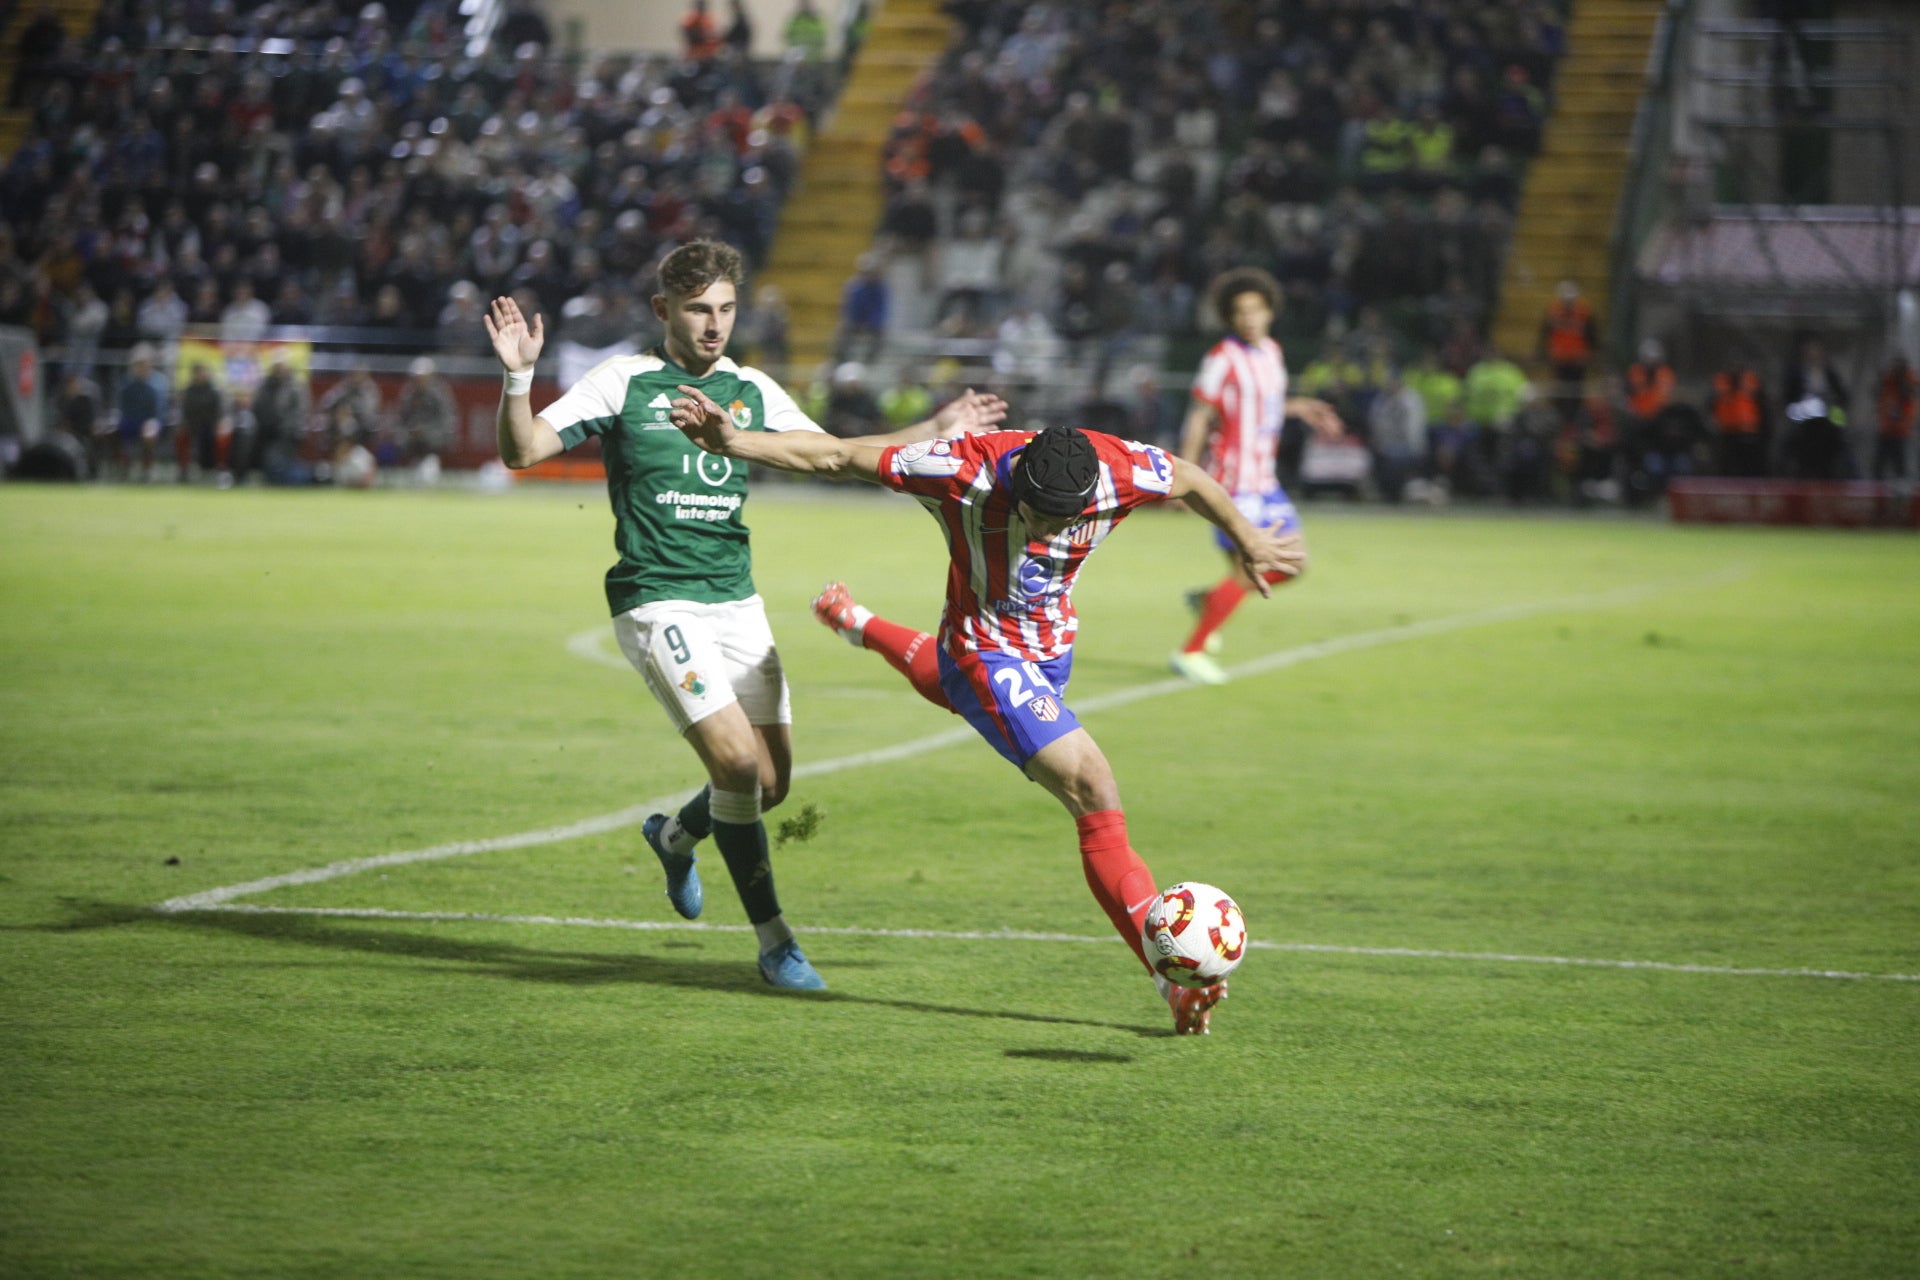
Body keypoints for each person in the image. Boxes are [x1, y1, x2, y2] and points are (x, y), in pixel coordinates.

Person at [668, 412, 1302, 1035]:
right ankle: (1168, 980)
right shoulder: (961, 469)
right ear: (1019, 484)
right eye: (1038, 515)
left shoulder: (1119, 469)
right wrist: (734, 441)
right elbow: (834, 455)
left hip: (1050, 650)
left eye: (1065, 518)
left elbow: (1190, 476)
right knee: (1093, 789)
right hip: (987, 653)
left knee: (957, 691)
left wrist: (1245, 536)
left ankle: (860, 624)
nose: (1050, 530)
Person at [485, 239, 1006, 990]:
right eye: (698, 309)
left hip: (736, 602)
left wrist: (933, 428)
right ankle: (775, 941)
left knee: (769, 785)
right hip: (657, 597)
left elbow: (836, 454)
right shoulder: (625, 382)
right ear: (664, 309)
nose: (713, 325)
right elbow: (524, 449)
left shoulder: (752, 390)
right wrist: (518, 376)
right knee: (734, 764)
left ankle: (674, 835)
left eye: (726, 309)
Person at [1171, 268, 1342, 685]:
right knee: (1254, 570)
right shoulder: (1221, 359)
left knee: (1291, 563)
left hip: (1266, 481)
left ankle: (1211, 601)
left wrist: (1299, 407)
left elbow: (1263, 404)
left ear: (1269, 312)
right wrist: (1184, 474)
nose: (1249, 318)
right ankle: (1191, 651)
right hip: (1234, 482)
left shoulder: (1272, 352)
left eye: (1256, 309)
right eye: (1240, 312)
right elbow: (1199, 417)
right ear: (1231, 318)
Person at [1873, 357, 1916, 482]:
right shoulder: (1888, 382)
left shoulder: (1908, 382)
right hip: (1886, 429)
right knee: (1879, 465)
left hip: (1900, 431)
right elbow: (1879, 396)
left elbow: (1910, 397)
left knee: (1899, 465)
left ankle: (1901, 489)